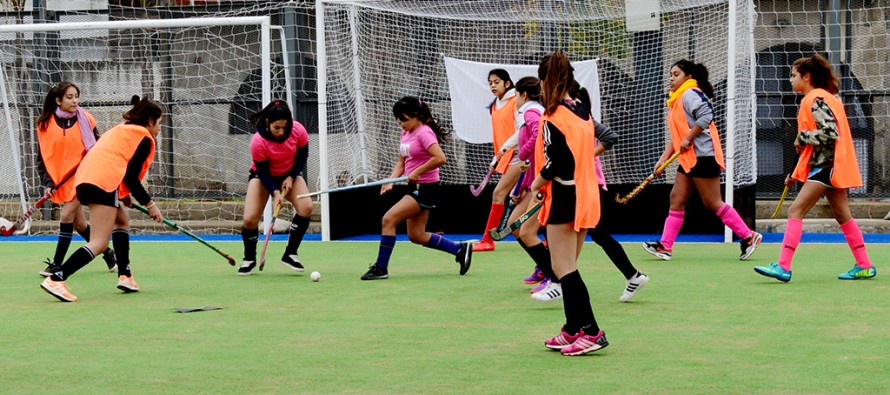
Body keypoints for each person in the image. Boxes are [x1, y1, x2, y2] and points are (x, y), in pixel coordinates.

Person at [754, 54, 876, 282]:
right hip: (831, 166)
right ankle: (864, 265)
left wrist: (802, 137)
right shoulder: (824, 98)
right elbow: (814, 145)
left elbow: (830, 133)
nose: (790, 80)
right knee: (843, 216)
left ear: (806, 77)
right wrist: (795, 174)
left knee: (795, 211)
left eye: (793, 76)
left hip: (826, 167)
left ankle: (783, 266)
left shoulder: (815, 100)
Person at [40, 95, 165, 302]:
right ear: (150, 121)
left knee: (121, 221)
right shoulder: (143, 137)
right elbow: (132, 178)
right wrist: (150, 205)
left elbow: (115, 163)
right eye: (159, 123)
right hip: (102, 183)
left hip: (86, 179)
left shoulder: (122, 130)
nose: (159, 128)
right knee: (99, 242)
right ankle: (57, 278)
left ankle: (125, 275)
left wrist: (122, 194)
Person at [643, 60, 762, 261]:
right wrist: (663, 160)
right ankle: (665, 246)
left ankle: (749, 236)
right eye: (670, 74)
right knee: (676, 198)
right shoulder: (676, 100)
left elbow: (707, 115)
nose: (671, 78)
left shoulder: (690, 94)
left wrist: (689, 138)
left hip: (703, 156)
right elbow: (677, 136)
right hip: (689, 158)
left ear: (688, 77)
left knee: (712, 202)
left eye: (676, 74)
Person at [531, 51, 608, 356]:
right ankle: (572, 328)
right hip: (586, 195)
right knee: (567, 267)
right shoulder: (581, 109)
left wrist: (536, 184)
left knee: (564, 268)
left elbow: (559, 163)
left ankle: (591, 331)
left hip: (565, 196)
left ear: (545, 81)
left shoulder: (552, 117)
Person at [361, 96, 472, 280]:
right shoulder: (405, 133)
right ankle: (459, 249)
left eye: (403, 119)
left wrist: (418, 171)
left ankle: (381, 268)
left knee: (388, 219)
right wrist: (390, 180)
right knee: (416, 235)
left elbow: (440, 158)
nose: (400, 123)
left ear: (416, 115)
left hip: (426, 188)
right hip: (414, 186)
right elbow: (401, 162)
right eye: (397, 119)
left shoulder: (424, 133)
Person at [35, 82, 117, 277]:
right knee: (79, 225)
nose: (75, 101)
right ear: (58, 100)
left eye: (76, 97)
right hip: (62, 182)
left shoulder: (86, 119)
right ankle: (108, 252)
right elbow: (42, 159)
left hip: (83, 178)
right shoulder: (44, 124)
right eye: (70, 97)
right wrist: (48, 183)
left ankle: (56, 265)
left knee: (65, 216)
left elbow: (97, 149)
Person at [237, 100, 312, 276]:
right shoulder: (258, 141)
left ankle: (290, 253)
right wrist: (275, 192)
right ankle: (249, 258)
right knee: (250, 219)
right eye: (277, 127)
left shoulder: (298, 130)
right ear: (267, 122)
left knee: (306, 207)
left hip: (289, 174)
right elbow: (263, 172)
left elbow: (302, 156)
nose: (281, 132)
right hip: (263, 177)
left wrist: (291, 176)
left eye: (285, 127)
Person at [473, 69, 524, 252]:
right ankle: (541, 238)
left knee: (499, 193)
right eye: (490, 83)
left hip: (522, 155)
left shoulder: (516, 102)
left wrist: (502, 152)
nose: (493, 86)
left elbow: (523, 131)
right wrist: (498, 157)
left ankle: (488, 240)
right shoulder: (494, 105)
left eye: (497, 82)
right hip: (507, 156)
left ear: (507, 83)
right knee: (525, 198)